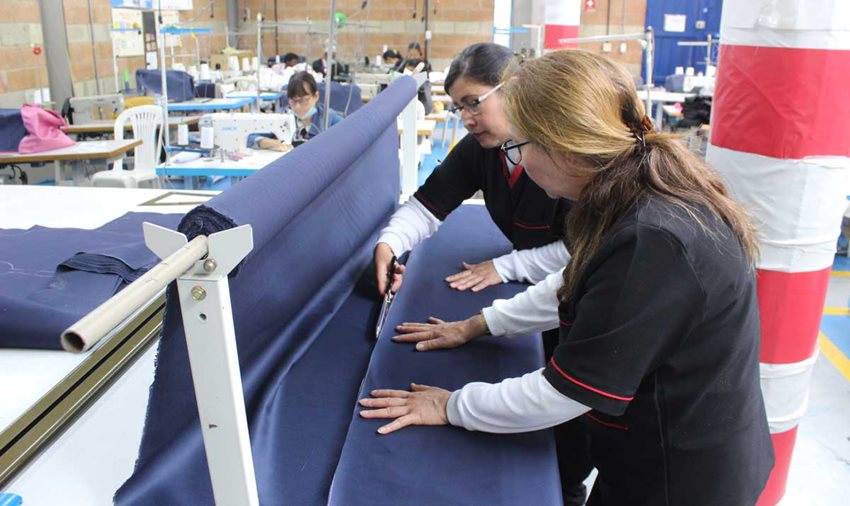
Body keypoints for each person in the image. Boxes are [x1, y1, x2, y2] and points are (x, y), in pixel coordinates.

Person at [360, 50, 775, 505]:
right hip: (656, 450)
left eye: (521, 146)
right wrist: (477, 324)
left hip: (680, 478)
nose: (516, 160)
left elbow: (563, 392)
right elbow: (576, 283)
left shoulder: (652, 240)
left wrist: (448, 405)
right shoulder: (631, 192)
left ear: (563, 143)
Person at [372, 43, 588, 504]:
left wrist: (507, 268)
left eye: (474, 102)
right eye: (457, 107)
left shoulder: (568, 158)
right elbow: (429, 205)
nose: (466, 117)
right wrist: (390, 243)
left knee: (569, 444)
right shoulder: (486, 150)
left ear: (515, 89)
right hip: (553, 292)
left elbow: (582, 253)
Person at [248, 71, 343, 150]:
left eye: (303, 100)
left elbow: (349, 134)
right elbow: (249, 136)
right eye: (293, 101)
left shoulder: (328, 118)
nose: (297, 106)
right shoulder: (282, 117)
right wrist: (264, 142)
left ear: (316, 96)